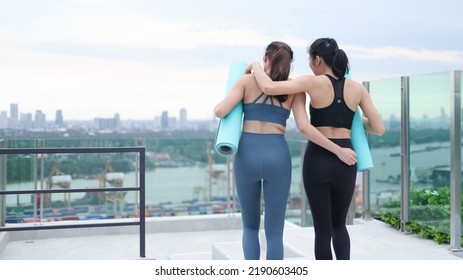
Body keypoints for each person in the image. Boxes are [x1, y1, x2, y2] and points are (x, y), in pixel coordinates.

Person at [214, 41, 357, 260]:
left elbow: (220, 111)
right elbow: (304, 125)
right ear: (289, 64)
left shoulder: (245, 82)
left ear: (266, 57)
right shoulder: (295, 91)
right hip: (278, 157)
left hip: (247, 156)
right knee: (274, 232)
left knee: (250, 227)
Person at [248, 37, 385, 260]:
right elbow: (379, 128)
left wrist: (255, 65)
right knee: (340, 225)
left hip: (318, 158)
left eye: (310, 61)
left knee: (323, 230)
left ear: (318, 59)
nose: (311, 66)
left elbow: (269, 87)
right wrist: (353, 121)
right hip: (346, 159)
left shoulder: (313, 83)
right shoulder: (357, 88)